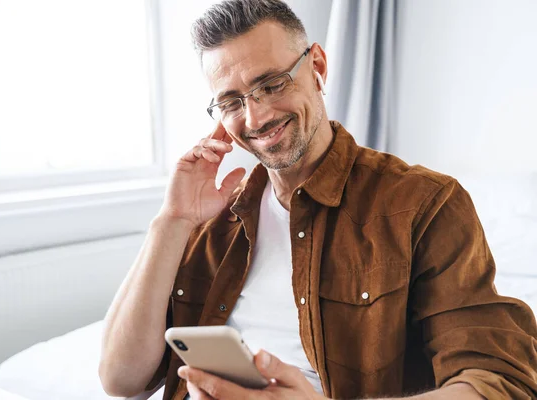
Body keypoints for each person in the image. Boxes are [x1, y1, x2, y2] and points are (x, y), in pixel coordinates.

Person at [98, 1, 537, 399]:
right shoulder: (212, 216)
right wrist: (172, 219)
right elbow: (120, 379)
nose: (256, 117)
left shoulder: (424, 204)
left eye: (271, 84)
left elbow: (498, 382)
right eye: (231, 101)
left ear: (318, 67)